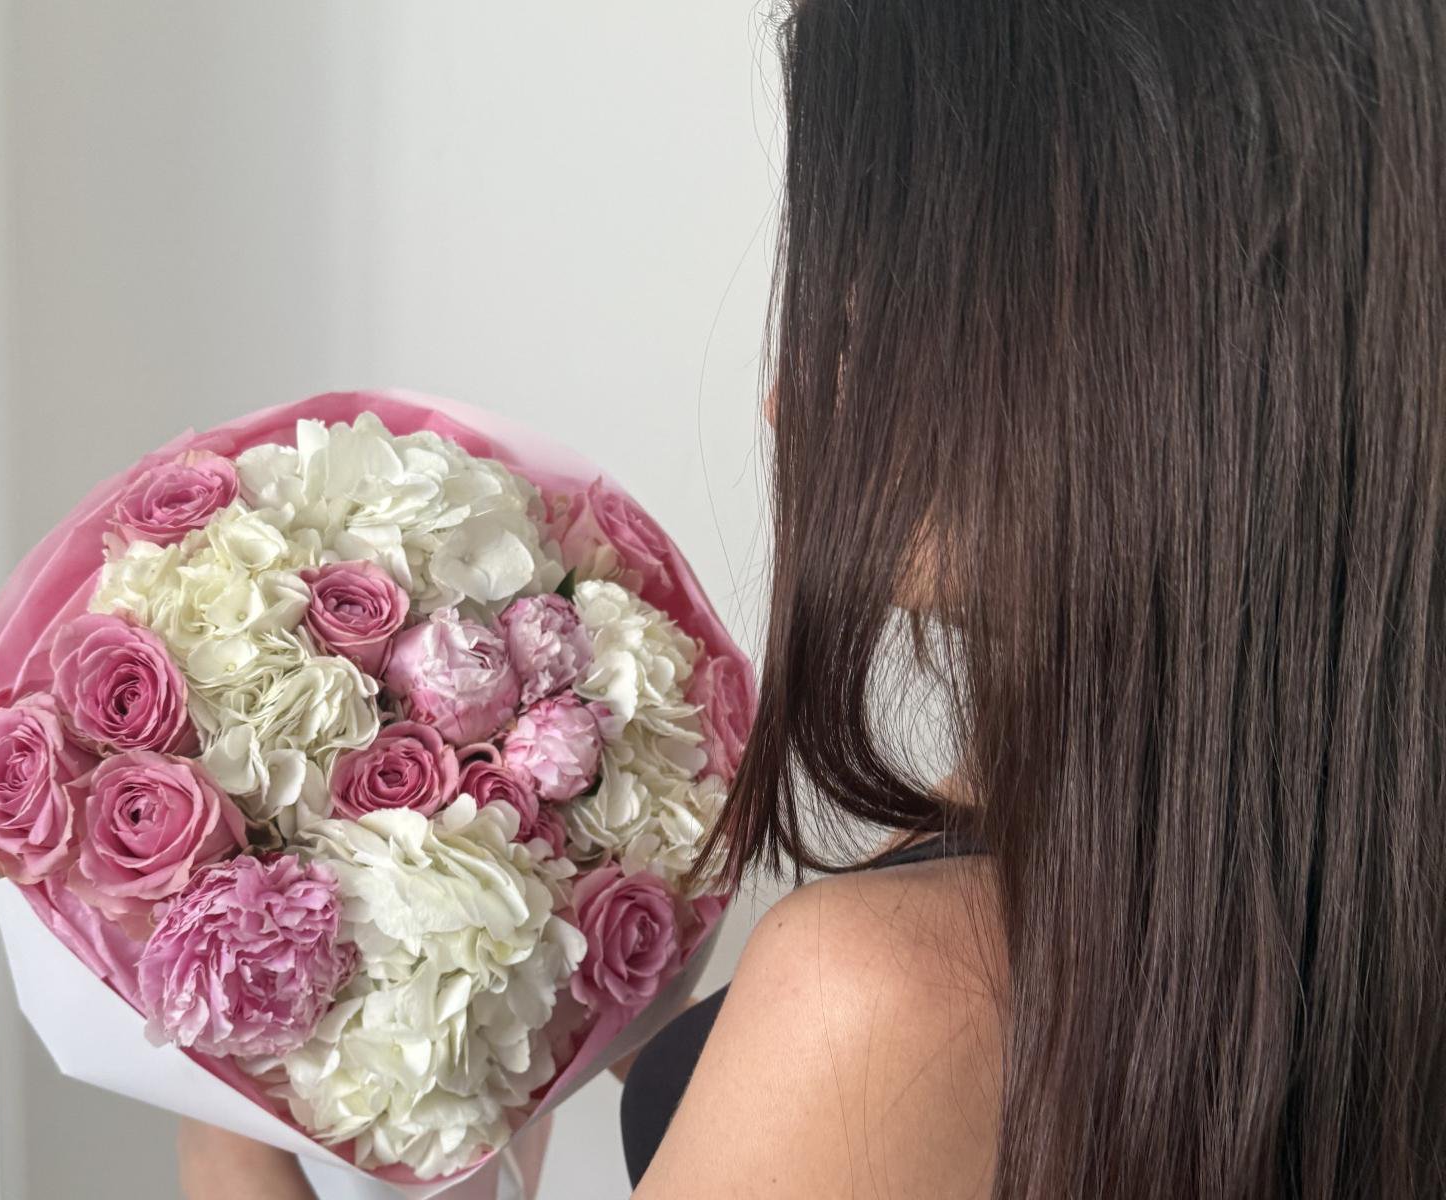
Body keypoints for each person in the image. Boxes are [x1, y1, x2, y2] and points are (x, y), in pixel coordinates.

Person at [182, 0, 1446, 1195]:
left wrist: (225, 1124)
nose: (793, 400)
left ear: (1159, 345)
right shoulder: (1274, 901)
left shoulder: (900, 995)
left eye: (882, 312)